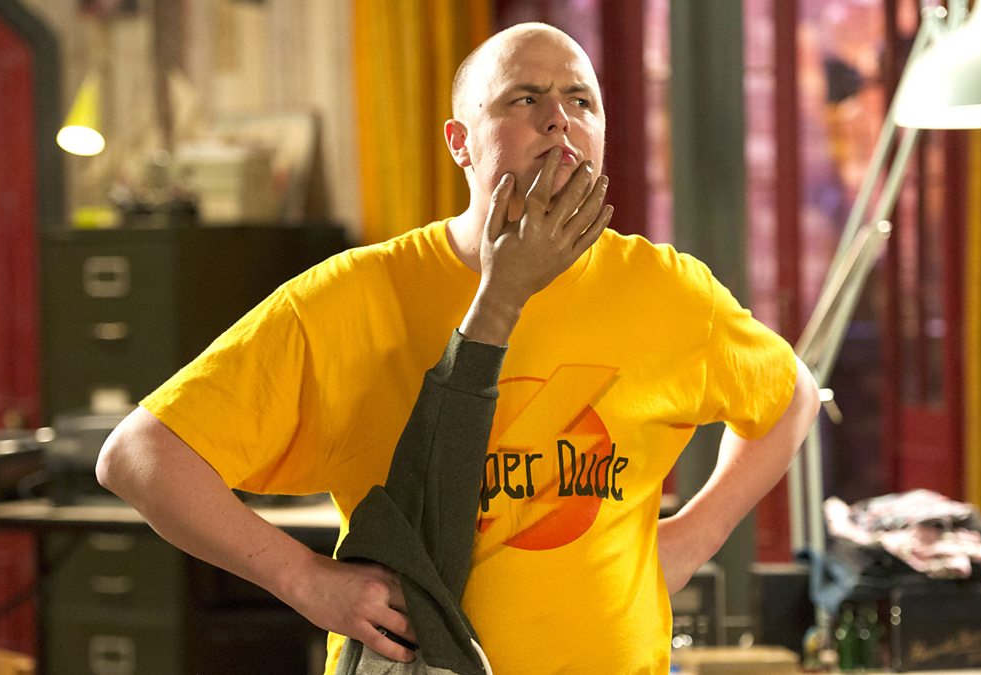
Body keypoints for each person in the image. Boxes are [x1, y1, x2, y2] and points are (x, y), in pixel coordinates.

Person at [97, 21, 820, 675]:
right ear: (459, 142)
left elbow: (791, 395)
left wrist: (693, 536)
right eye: (524, 99)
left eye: (581, 100)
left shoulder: (666, 289)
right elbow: (139, 456)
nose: (559, 118)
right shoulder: (355, 294)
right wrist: (305, 579)